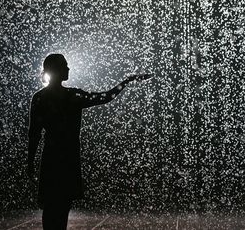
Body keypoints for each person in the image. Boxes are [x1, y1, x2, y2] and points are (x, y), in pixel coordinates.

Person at [26, 53, 152, 229]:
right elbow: (106, 97)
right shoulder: (73, 96)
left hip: (51, 157)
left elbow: (34, 134)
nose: (68, 68)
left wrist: (30, 162)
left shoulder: (40, 97)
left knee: (50, 207)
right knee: (62, 207)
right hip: (68, 157)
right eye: (65, 65)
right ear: (56, 70)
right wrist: (127, 81)